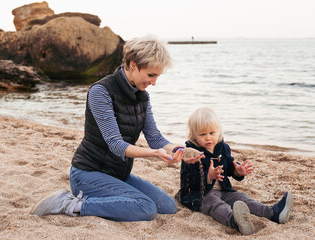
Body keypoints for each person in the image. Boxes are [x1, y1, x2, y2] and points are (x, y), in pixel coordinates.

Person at [30, 35, 202, 221]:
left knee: (167, 206)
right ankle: (70, 203)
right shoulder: (101, 92)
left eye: (157, 76)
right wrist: (155, 154)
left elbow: (154, 137)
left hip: (118, 174)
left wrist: (180, 151)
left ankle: (105, 198)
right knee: (147, 208)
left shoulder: (142, 96)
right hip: (88, 174)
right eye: (151, 75)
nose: (154, 83)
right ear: (133, 64)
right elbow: (116, 145)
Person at [176, 107, 294, 235]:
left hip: (223, 190)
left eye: (212, 133)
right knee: (216, 205)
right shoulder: (191, 154)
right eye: (202, 134)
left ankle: (273, 213)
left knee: (242, 198)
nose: (208, 138)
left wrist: (237, 170)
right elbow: (187, 181)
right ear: (193, 135)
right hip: (200, 194)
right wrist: (208, 176)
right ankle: (235, 221)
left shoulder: (223, 148)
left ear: (218, 131)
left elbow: (229, 166)